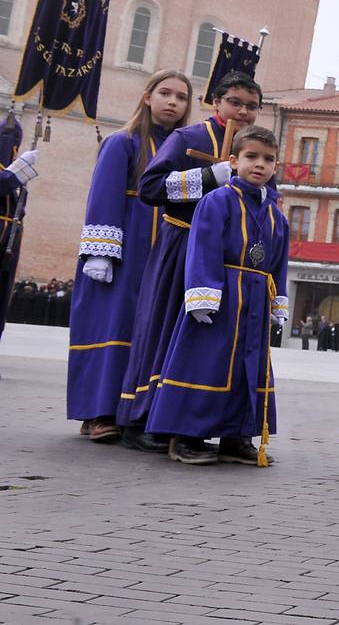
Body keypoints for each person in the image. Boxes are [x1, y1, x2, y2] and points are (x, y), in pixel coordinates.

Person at [118, 71, 263, 454]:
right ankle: (143, 419)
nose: (242, 111)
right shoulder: (188, 138)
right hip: (181, 242)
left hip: (230, 261)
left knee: (218, 343)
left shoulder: (257, 148)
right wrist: (207, 176)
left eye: (251, 106)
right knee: (164, 328)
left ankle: (212, 423)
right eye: (235, 102)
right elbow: (150, 187)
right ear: (216, 103)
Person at [146, 126, 289, 467]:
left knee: (247, 368)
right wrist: (202, 295)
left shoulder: (276, 215)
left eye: (268, 159)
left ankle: (236, 436)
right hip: (220, 298)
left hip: (255, 300)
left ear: (276, 166)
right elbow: (202, 247)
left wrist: (277, 302)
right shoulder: (216, 200)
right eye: (251, 157)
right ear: (233, 161)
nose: (260, 165)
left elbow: (279, 262)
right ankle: (187, 436)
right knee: (206, 364)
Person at [67, 69, 190, 443]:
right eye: (165, 93)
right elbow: (103, 196)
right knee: (112, 327)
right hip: (123, 249)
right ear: (147, 96)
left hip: (163, 252)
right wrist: (100, 251)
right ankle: (98, 412)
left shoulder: (184, 150)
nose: (172, 102)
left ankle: (138, 412)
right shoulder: (123, 143)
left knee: (149, 331)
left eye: (181, 97)